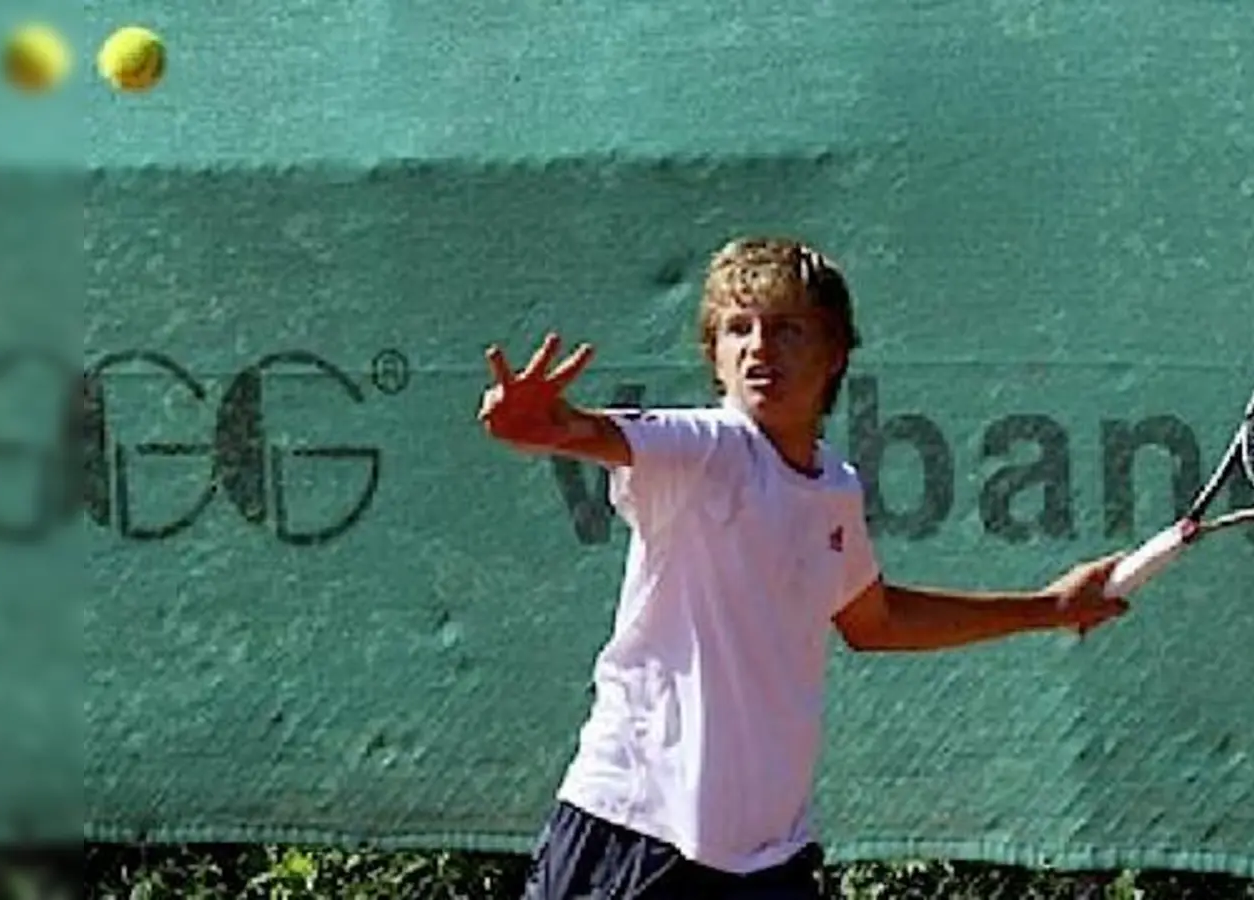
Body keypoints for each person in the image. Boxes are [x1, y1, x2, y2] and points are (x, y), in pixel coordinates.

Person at [479, 237, 1132, 899]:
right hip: (638, 835)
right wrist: (551, 425)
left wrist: (1048, 607)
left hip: (769, 859)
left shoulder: (834, 488)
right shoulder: (706, 450)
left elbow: (874, 619)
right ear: (716, 357)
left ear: (835, 353)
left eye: (787, 329)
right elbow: (594, 433)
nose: (759, 347)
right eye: (738, 329)